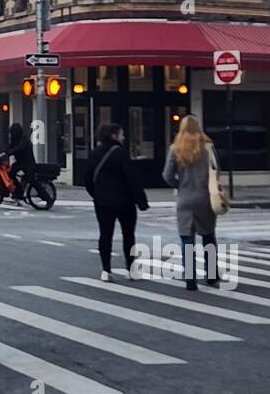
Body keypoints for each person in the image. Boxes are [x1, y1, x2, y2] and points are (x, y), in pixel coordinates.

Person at [161, 115, 221, 290]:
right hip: (205, 198)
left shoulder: (175, 149)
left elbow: (167, 175)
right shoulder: (208, 148)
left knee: (187, 239)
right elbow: (216, 171)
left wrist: (179, 185)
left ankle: (190, 279)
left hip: (185, 198)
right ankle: (212, 277)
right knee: (208, 237)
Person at [84, 122, 149, 278]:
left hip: (103, 201)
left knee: (105, 234)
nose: (123, 137)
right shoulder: (121, 153)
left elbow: (87, 178)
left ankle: (106, 269)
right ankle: (131, 268)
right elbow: (132, 178)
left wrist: (97, 194)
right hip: (124, 201)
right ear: (114, 136)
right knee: (128, 235)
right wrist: (141, 201)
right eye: (121, 134)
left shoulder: (95, 153)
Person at [0, 121, 37, 200]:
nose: (12, 134)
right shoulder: (15, 139)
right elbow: (10, 146)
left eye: (14, 132)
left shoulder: (24, 139)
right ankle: (18, 191)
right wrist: (2, 152)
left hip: (28, 163)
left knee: (32, 181)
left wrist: (9, 153)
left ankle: (46, 198)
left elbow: (19, 148)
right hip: (21, 162)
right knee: (11, 173)